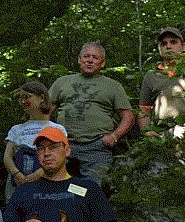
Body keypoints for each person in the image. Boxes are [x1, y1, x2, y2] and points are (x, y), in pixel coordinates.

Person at [49, 42, 134, 185]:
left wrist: (114, 136)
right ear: (79, 59)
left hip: (97, 146)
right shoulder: (62, 82)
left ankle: (84, 206)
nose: (90, 60)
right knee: (54, 186)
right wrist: (48, 137)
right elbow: (45, 112)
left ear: (102, 63)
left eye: (95, 57)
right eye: (86, 56)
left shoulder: (112, 86)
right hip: (63, 144)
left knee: (92, 189)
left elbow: (128, 116)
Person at [3, 80, 68, 199]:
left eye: (27, 97)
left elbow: (62, 158)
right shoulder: (16, 129)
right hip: (18, 184)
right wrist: (17, 174)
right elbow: (7, 157)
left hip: (47, 183)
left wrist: (36, 175)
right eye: (21, 98)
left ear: (41, 98)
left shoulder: (57, 128)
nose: (23, 101)